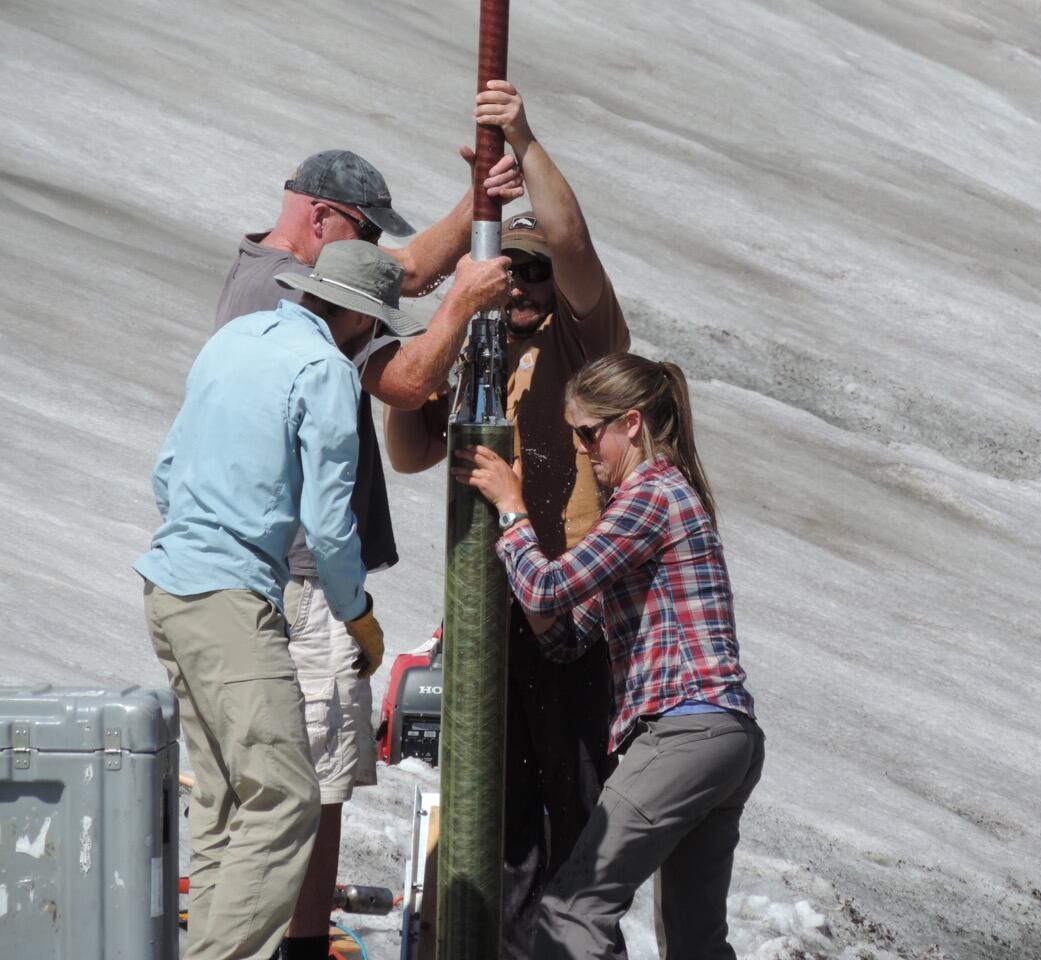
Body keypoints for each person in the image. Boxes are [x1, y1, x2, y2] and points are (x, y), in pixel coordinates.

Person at [215, 148, 515, 960]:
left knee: (291, 777)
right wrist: (461, 306)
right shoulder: (302, 306)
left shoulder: (275, 271)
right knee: (319, 780)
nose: (380, 255)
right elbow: (410, 381)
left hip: (265, 573)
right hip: (307, 581)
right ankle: (298, 949)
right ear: (323, 220)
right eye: (365, 234)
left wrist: (476, 199)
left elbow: (406, 270)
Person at [384, 81, 630, 957]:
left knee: (578, 816)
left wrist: (522, 142)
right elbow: (410, 448)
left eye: (531, 272)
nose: (522, 283)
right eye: (508, 268)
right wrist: (452, 319)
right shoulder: (483, 347)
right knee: (496, 815)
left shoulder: (583, 343)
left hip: (567, 616)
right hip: (490, 619)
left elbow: (572, 239)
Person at [135, 241, 408, 960]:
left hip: (168, 587)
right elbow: (327, 521)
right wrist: (355, 612)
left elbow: (167, 473)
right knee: (288, 798)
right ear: (359, 321)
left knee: (228, 801)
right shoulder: (325, 370)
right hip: (230, 597)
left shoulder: (233, 341)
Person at [453, 352, 765, 960]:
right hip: (725, 737)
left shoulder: (650, 492)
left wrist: (512, 510)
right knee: (696, 942)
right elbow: (569, 637)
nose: (583, 448)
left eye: (588, 433)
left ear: (631, 422)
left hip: (680, 733)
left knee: (573, 910)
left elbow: (546, 587)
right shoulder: (665, 498)